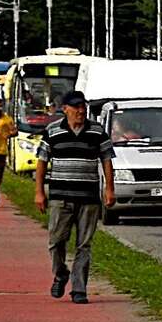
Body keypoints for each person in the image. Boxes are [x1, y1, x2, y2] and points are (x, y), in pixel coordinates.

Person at [35, 93, 115, 304]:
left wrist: (109, 189)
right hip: (60, 197)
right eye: (76, 107)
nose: (81, 111)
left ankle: (79, 289)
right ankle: (61, 273)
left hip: (88, 198)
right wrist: (39, 192)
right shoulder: (53, 131)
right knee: (56, 240)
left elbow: (107, 160)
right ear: (65, 109)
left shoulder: (97, 131)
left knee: (84, 244)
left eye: (83, 107)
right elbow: (42, 161)